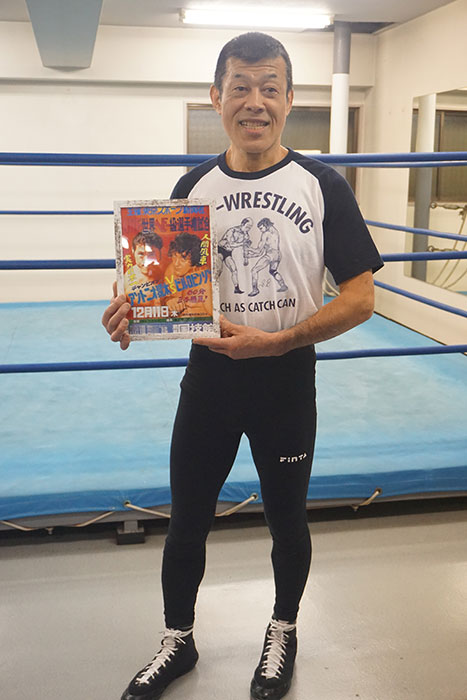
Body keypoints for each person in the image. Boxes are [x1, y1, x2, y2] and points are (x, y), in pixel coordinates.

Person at [102, 31, 383, 700]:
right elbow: (162, 283)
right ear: (216, 96)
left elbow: (361, 297)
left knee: (286, 518)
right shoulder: (192, 185)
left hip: (285, 380)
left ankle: (283, 629)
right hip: (210, 381)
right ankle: (178, 639)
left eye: (269, 88)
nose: (254, 102)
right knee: (187, 518)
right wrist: (131, 306)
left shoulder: (322, 186)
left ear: (289, 99)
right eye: (240, 87)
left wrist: (279, 342)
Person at [164, 232, 213, 318]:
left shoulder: (204, 279)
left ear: (194, 260)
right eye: (174, 256)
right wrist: (169, 301)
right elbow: (164, 298)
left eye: (183, 259)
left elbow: (215, 317)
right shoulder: (171, 270)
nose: (176, 263)